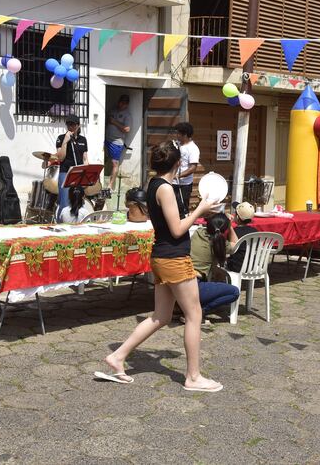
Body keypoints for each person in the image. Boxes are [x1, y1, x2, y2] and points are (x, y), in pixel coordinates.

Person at [96, 140, 223, 392]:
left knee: (161, 316)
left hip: (162, 256)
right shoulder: (164, 188)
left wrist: (198, 211)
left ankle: (118, 356)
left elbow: (172, 224)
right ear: (178, 163)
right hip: (173, 258)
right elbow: (176, 229)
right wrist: (200, 209)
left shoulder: (155, 184)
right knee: (194, 315)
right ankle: (193, 377)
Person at [189, 213, 241, 322]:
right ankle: (199, 311)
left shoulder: (197, 233)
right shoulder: (220, 243)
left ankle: (183, 306)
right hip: (195, 286)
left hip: (181, 283)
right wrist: (230, 226)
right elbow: (235, 244)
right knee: (234, 292)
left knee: (218, 276)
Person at [55, 114, 89, 216]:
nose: (70, 127)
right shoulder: (61, 138)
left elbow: (85, 159)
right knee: (65, 202)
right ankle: (62, 222)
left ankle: (77, 222)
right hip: (65, 172)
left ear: (78, 125)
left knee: (79, 201)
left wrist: (86, 174)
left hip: (78, 173)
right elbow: (60, 157)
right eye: (68, 124)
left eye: (72, 124)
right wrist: (65, 141)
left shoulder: (83, 140)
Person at [173, 122, 200, 217]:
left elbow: (193, 168)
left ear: (185, 135)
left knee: (182, 207)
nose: (176, 135)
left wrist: (178, 176)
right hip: (172, 182)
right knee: (172, 207)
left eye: (178, 133)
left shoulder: (193, 148)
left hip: (184, 184)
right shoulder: (177, 145)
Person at [106, 94, 132, 190]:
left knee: (114, 163)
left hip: (116, 142)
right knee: (104, 160)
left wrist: (114, 122)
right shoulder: (113, 110)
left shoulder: (127, 115)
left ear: (127, 104)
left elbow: (127, 129)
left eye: (124, 103)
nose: (121, 105)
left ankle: (110, 185)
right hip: (107, 139)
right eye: (121, 102)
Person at [226, 202, 258, 273]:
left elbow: (229, 248)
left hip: (237, 267)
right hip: (253, 266)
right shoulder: (255, 231)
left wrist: (229, 224)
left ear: (237, 217)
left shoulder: (234, 232)